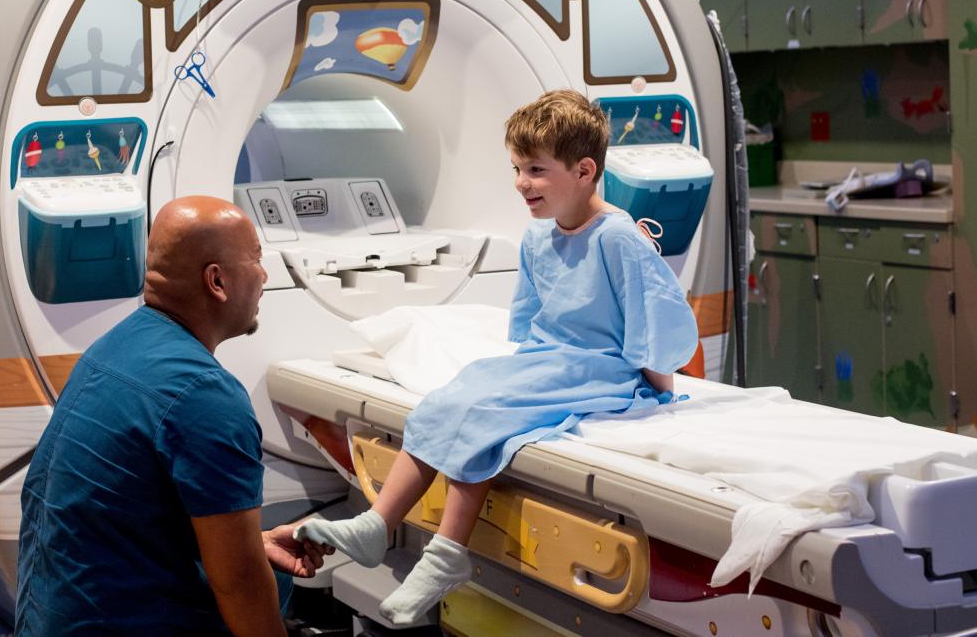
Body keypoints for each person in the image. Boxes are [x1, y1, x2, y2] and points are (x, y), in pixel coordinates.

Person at [296, 89, 698, 624]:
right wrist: (517, 369)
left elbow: (654, 319)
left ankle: (445, 556)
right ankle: (377, 524)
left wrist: (660, 396)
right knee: (452, 397)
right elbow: (530, 323)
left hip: (602, 367)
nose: (520, 184)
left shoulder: (619, 237)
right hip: (548, 360)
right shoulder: (536, 240)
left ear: (583, 170)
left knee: (489, 413)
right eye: (515, 168)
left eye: (535, 169)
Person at [16, 196, 329, 636]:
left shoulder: (113, 348)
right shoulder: (207, 398)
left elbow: (122, 514)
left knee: (268, 570)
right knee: (262, 589)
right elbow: (237, 584)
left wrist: (252, 543)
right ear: (216, 281)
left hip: (51, 614)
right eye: (256, 259)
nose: (264, 274)